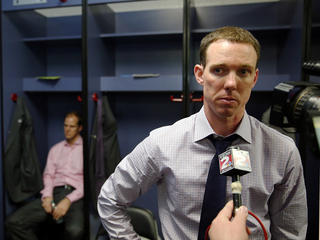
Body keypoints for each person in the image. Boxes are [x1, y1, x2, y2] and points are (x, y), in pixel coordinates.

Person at [97, 26, 308, 239]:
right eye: (219, 70)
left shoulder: (283, 151)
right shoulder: (162, 143)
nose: (231, 84)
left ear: (254, 78)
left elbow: (290, 233)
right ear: (200, 74)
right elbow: (110, 199)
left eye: (243, 71)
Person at [6, 111, 84, 240]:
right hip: (54, 193)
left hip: (75, 196)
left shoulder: (86, 150)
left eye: (72, 126)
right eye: (65, 125)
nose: (67, 129)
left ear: (79, 128)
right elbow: (48, 175)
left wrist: (68, 200)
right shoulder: (56, 149)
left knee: (75, 231)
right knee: (14, 221)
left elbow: (87, 182)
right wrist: (47, 196)